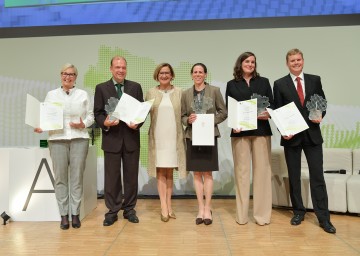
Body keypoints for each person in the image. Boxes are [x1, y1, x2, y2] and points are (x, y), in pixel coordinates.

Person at [273, 48, 336, 234]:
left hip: (313, 136)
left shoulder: (314, 80)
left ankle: (324, 218)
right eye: (292, 60)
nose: (296, 63)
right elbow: (277, 111)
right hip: (291, 137)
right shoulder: (279, 84)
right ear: (287, 63)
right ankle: (298, 212)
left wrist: (321, 115)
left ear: (303, 61)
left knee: (318, 177)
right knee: (294, 177)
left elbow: (321, 102)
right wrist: (283, 131)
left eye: (298, 59)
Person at [34, 63, 94, 230]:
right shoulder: (51, 95)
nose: (68, 77)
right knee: (60, 178)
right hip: (57, 138)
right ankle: (63, 215)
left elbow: (90, 116)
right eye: (65, 74)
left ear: (76, 77)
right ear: (60, 75)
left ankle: (75, 214)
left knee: (76, 178)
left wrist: (84, 124)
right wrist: (41, 126)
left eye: (72, 74)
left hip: (79, 138)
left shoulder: (83, 94)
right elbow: (46, 116)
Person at [94, 56, 144, 225]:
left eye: (123, 67)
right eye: (117, 67)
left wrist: (137, 124)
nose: (120, 70)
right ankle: (113, 210)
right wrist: (104, 123)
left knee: (131, 177)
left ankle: (129, 209)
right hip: (111, 139)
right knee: (112, 177)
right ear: (111, 69)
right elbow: (98, 113)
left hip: (131, 138)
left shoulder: (135, 87)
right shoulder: (101, 88)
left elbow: (142, 111)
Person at [225, 52, 274, 226]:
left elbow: (272, 105)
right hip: (240, 133)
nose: (250, 64)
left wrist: (268, 113)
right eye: (247, 61)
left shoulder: (264, 82)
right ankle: (242, 216)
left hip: (261, 131)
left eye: (253, 62)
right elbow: (230, 109)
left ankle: (262, 216)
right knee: (242, 174)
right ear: (240, 63)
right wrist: (234, 123)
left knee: (262, 174)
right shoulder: (231, 84)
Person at [181, 63, 227, 225]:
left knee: (207, 173)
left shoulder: (214, 91)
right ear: (191, 75)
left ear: (205, 74)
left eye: (201, 72)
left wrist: (209, 121)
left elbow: (223, 112)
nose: (198, 74)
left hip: (209, 136)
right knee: (196, 173)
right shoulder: (186, 94)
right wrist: (188, 120)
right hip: (192, 137)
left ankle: (208, 208)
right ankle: (200, 208)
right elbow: (182, 116)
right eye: (195, 72)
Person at [145, 63, 187, 222]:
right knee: (160, 172)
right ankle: (163, 206)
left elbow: (184, 114)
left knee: (170, 172)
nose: (164, 75)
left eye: (167, 73)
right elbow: (142, 114)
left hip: (174, 138)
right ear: (157, 75)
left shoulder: (180, 92)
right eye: (161, 73)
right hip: (158, 138)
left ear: (172, 75)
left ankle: (170, 205)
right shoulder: (150, 92)